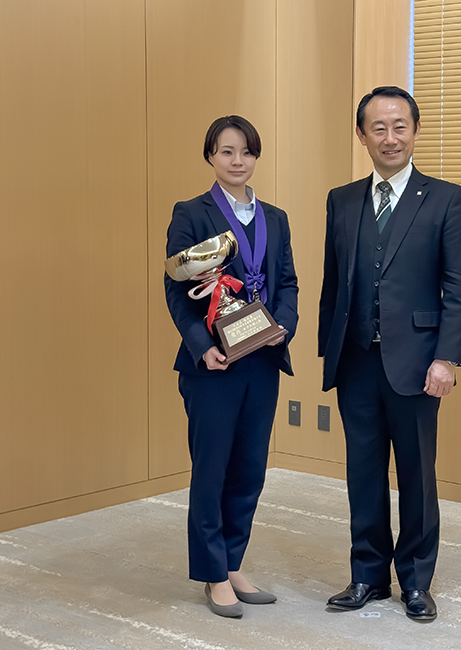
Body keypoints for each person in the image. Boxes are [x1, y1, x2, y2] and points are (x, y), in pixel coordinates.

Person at [318, 86, 461, 622]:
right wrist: (329, 352)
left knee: (416, 476)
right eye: (378, 128)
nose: (390, 137)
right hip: (356, 361)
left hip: (418, 361)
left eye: (400, 126)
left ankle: (415, 581)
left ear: (416, 131)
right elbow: (333, 284)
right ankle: (367, 574)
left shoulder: (447, 198)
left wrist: (447, 358)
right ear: (361, 135)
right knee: (362, 473)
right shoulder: (341, 200)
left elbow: (459, 286)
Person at [165, 115, 298, 618]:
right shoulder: (191, 213)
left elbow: (288, 282)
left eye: (246, 151)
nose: (237, 160)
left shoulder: (276, 218)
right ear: (211, 157)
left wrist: (284, 325)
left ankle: (233, 562)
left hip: (262, 358)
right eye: (226, 151)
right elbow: (176, 289)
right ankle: (213, 574)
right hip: (214, 366)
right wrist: (203, 346)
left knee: (249, 469)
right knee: (212, 470)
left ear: (256, 156)